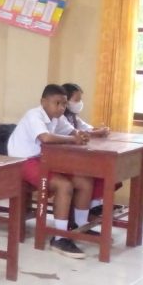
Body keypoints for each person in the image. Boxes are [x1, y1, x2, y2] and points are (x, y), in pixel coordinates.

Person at [7, 84, 95, 258]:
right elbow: (45, 138)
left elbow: (72, 131)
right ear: (43, 102)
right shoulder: (34, 115)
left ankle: (80, 226)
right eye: (57, 103)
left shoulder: (57, 117)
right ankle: (60, 238)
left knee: (85, 181)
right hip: (22, 162)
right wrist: (73, 139)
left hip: (43, 160)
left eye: (64, 104)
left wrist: (80, 135)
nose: (61, 108)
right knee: (64, 185)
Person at [59, 82, 111, 215]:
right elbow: (77, 133)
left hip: (74, 156)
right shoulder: (61, 117)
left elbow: (87, 128)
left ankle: (94, 205)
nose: (80, 103)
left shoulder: (73, 116)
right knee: (90, 173)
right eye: (77, 100)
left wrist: (100, 130)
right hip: (64, 159)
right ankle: (86, 211)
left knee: (101, 171)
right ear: (66, 100)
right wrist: (96, 132)